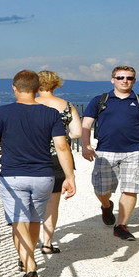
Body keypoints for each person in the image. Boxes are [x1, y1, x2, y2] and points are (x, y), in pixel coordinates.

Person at [0, 70, 76, 277]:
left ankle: (30, 266)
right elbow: (62, 147)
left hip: (14, 177)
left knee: (19, 221)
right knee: (33, 220)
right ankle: (26, 260)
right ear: (37, 88)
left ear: (14, 88)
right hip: (44, 176)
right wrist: (69, 177)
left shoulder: (3, 112)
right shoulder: (51, 114)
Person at [81, 65, 139, 241]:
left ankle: (121, 225)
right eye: (120, 77)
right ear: (113, 80)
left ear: (134, 80)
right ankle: (106, 205)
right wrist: (86, 145)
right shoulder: (100, 100)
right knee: (101, 189)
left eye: (129, 78)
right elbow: (86, 125)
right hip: (105, 152)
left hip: (135, 151)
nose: (125, 81)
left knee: (131, 188)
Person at [34, 70, 82, 254]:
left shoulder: (29, 104)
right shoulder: (66, 106)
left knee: (30, 204)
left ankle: (26, 248)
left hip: (33, 157)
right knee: (52, 203)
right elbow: (77, 132)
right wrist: (64, 138)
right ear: (56, 84)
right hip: (57, 159)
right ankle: (47, 243)